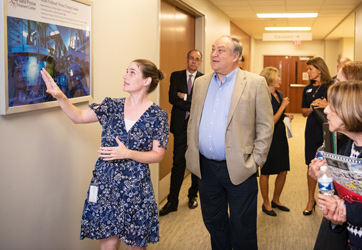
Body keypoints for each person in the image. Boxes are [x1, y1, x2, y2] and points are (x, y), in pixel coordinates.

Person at [40, 59, 169, 250]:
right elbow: (79, 116)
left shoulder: (158, 116)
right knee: (108, 243)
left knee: (136, 244)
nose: (125, 75)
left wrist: (127, 153)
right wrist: (60, 97)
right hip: (106, 184)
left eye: (132, 72)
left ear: (146, 81)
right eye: (126, 71)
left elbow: (158, 155)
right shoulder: (112, 106)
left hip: (136, 187)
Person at [185, 35, 274, 250]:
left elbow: (265, 125)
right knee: (214, 223)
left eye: (221, 50)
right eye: (213, 49)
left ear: (236, 56)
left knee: (242, 228)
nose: (213, 54)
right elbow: (193, 121)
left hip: (240, 167)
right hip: (206, 168)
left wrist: (256, 160)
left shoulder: (255, 83)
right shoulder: (201, 82)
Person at [312, 60, 362, 250]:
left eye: (334, 103)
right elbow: (347, 200)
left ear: (354, 104)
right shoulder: (349, 143)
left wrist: (344, 210)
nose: (327, 109)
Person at [159, 49, 203, 216]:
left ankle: (193, 195)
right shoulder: (176, 76)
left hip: (197, 127)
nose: (193, 61)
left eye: (197, 59)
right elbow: (172, 98)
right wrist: (191, 101)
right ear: (187, 59)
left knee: (195, 163)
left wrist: (183, 97)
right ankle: (172, 201)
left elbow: (202, 102)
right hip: (180, 126)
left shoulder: (204, 79)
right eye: (191, 58)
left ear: (200, 62)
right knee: (178, 163)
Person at [259, 67, 293, 216]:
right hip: (267, 137)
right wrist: (283, 107)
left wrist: (286, 115)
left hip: (280, 135)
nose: (280, 79)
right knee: (266, 172)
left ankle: (276, 200)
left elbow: (278, 114)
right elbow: (270, 121)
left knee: (283, 170)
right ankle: (266, 204)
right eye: (278, 77)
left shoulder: (279, 94)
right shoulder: (263, 95)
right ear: (270, 78)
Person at [301, 57, 333, 216]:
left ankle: (328, 200)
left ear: (319, 70)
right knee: (311, 164)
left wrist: (326, 105)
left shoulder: (331, 87)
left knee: (327, 165)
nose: (308, 72)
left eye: (310, 69)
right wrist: (312, 108)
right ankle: (310, 200)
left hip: (328, 129)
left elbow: (338, 107)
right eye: (307, 69)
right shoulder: (307, 88)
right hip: (312, 129)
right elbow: (303, 111)